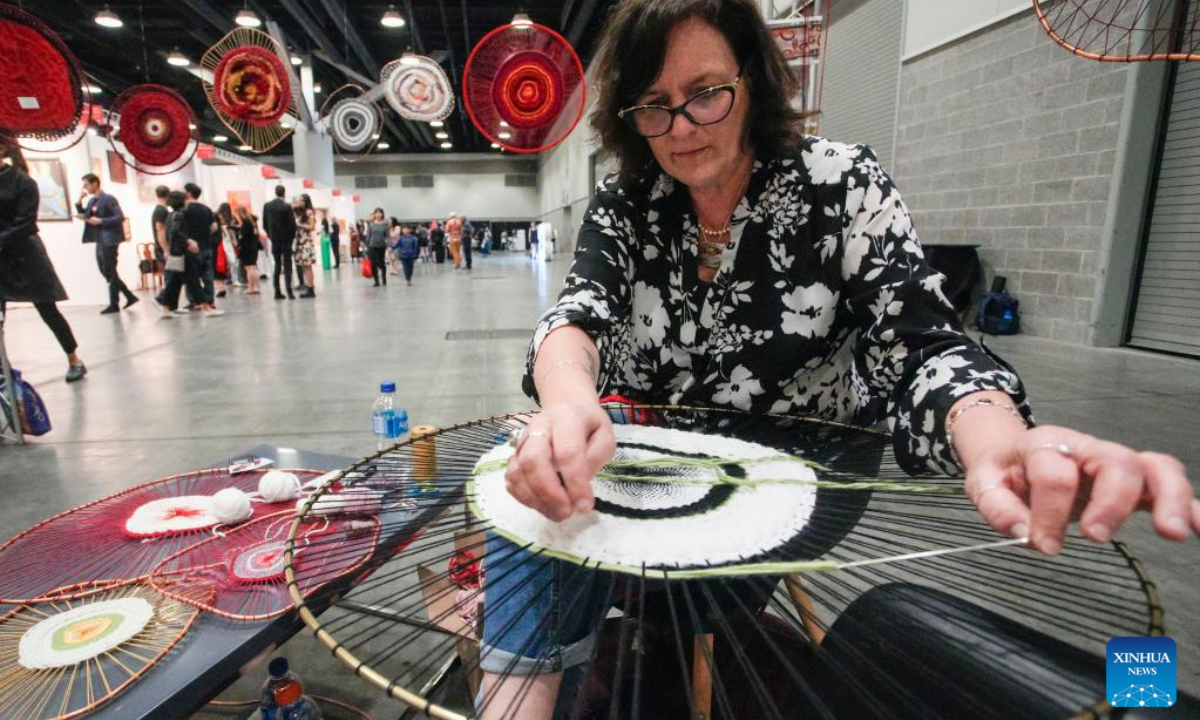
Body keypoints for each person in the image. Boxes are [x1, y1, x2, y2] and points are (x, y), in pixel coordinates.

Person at [483, 1, 1200, 717]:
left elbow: (918, 346)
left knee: (577, 546)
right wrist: (570, 405)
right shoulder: (627, 200)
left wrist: (1000, 440)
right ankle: (521, 703)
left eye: (705, 93)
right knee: (532, 463)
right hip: (657, 454)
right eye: (653, 107)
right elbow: (577, 318)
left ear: (754, 80)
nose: (681, 127)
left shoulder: (841, 184)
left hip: (803, 460)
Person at [0, 137, 87, 381]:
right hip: (2, 257)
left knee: (48, 310)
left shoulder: (22, 181)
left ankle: (74, 358)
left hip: (26, 253)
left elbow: (25, 221)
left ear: (2, 149)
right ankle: (3, 369)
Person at [76, 172, 137, 314]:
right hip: (99, 238)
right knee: (105, 269)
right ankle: (128, 295)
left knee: (109, 269)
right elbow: (87, 215)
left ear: (95, 183)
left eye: (86, 184)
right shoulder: (92, 201)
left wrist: (102, 221)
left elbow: (120, 217)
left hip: (110, 238)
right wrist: (79, 202)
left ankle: (114, 303)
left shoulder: (108, 199)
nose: (85, 188)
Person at [157, 190, 202, 316]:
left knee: (175, 281)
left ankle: (165, 308)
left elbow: (170, 233)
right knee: (182, 281)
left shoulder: (170, 216)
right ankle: (206, 306)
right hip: (180, 253)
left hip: (175, 252)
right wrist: (189, 241)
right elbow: (175, 231)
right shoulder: (178, 216)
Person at [182, 183, 221, 315]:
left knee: (191, 276)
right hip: (206, 245)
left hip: (191, 248)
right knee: (207, 275)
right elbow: (214, 226)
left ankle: (195, 301)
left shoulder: (184, 210)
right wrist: (205, 233)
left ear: (188, 192)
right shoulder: (206, 209)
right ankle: (209, 300)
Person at [262, 184, 296, 300]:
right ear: (284, 193)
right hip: (286, 241)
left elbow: (265, 224)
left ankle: (277, 291)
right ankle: (289, 291)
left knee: (277, 265)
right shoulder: (286, 206)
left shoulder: (267, 206)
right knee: (287, 266)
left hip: (275, 240)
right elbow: (292, 225)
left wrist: (271, 236)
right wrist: (290, 238)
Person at [234, 205, 261, 295]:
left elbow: (243, 236)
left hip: (246, 248)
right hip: (253, 247)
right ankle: (256, 286)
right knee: (253, 267)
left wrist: (238, 244)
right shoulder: (250, 222)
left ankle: (251, 287)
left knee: (249, 268)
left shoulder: (245, 223)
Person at [366, 208, 389, 287]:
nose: (378, 214)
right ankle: (376, 281)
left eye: (380, 213)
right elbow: (369, 236)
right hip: (372, 246)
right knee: (373, 264)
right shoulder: (371, 224)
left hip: (381, 246)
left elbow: (387, 236)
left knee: (381, 263)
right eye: (376, 213)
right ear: (374, 214)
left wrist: (388, 245)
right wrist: (367, 246)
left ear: (382, 214)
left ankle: (384, 278)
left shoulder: (385, 224)